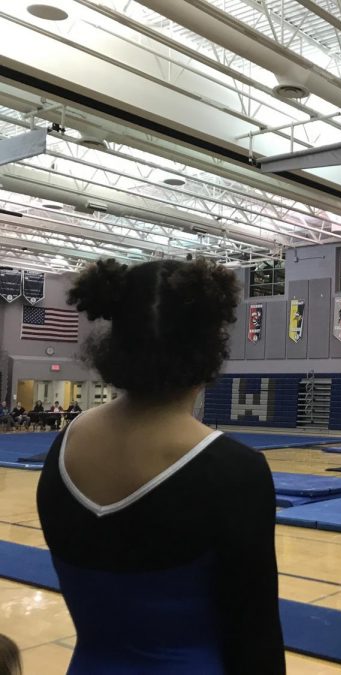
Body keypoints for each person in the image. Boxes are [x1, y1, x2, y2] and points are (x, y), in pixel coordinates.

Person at [36, 258, 285, 674]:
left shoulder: (65, 446)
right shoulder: (235, 472)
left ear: (114, 342)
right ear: (210, 348)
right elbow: (255, 638)